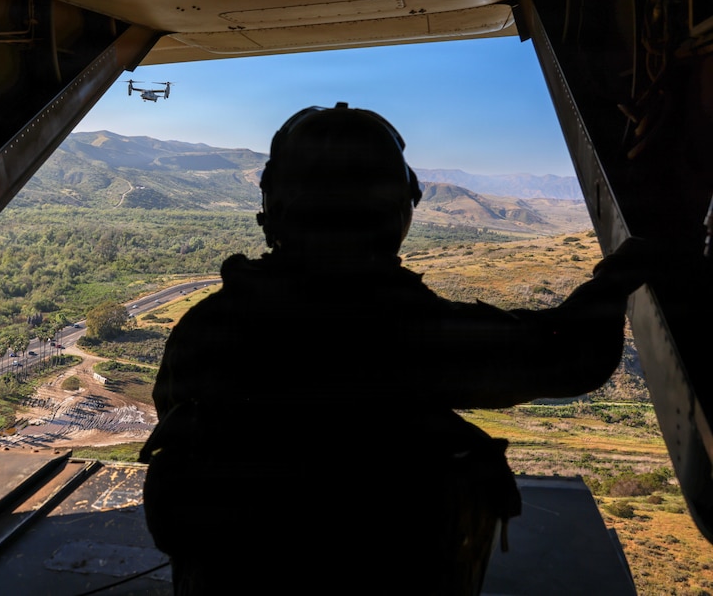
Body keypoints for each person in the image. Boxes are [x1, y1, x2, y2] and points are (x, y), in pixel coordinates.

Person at [139, 103, 650, 595]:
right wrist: (617, 275)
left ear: (273, 206)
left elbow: (175, 426)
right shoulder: (409, 330)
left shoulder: (205, 325)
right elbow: (573, 358)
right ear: (396, 210)